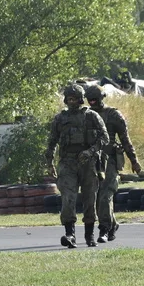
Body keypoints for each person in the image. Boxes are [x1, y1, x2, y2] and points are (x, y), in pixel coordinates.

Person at [45, 84, 108, 248]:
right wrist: (49, 163)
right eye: (69, 99)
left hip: (88, 163)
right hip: (67, 163)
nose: (72, 102)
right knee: (68, 198)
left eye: (75, 99)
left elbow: (104, 138)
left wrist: (91, 151)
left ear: (80, 99)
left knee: (89, 199)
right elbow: (52, 142)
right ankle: (70, 234)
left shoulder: (92, 116)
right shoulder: (60, 119)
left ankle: (89, 234)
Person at [86, 84, 142, 242]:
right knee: (96, 198)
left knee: (105, 196)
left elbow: (125, 140)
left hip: (109, 160)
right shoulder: (85, 116)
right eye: (89, 100)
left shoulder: (113, 115)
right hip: (91, 162)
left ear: (102, 98)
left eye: (95, 99)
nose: (92, 103)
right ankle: (113, 223)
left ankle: (104, 229)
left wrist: (134, 161)